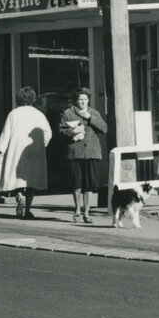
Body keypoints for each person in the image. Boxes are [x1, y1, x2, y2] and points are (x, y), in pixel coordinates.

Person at [0, 86, 52, 219]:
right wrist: (42, 145)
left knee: (18, 177)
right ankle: (28, 210)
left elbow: (6, 134)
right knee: (31, 181)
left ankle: (20, 195)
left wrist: (0, 150)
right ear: (33, 98)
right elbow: (48, 132)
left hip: (17, 150)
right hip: (34, 151)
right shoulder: (39, 114)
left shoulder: (13, 114)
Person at [59, 87, 108, 223]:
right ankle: (77, 209)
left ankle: (86, 212)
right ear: (76, 100)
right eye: (80, 99)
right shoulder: (68, 113)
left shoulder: (94, 113)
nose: (83, 102)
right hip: (75, 153)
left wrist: (90, 118)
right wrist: (73, 131)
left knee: (89, 184)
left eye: (85, 99)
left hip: (92, 153)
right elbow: (61, 131)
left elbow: (104, 128)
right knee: (76, 183)